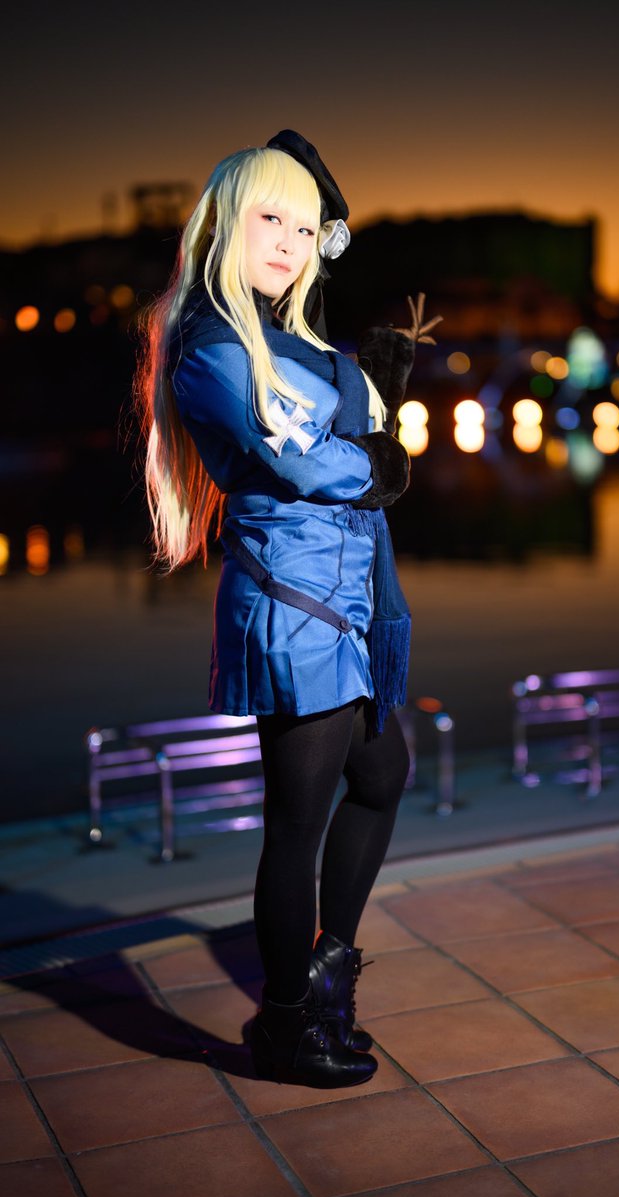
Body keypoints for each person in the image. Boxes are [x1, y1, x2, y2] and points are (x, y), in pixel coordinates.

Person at [136, 130, 439, 1089]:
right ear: (227, 220)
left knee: (384, 773)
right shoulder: (208, 342)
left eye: (307, 229)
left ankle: (325, 978)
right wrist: (381, 457)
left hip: (352, 595)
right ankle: (287, 1022)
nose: (291, 242)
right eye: (271, 218)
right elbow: (306, 460)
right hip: (292, 602)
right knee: (297, 823)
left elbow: (347, 430)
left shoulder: (293, 338)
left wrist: (374, 390)